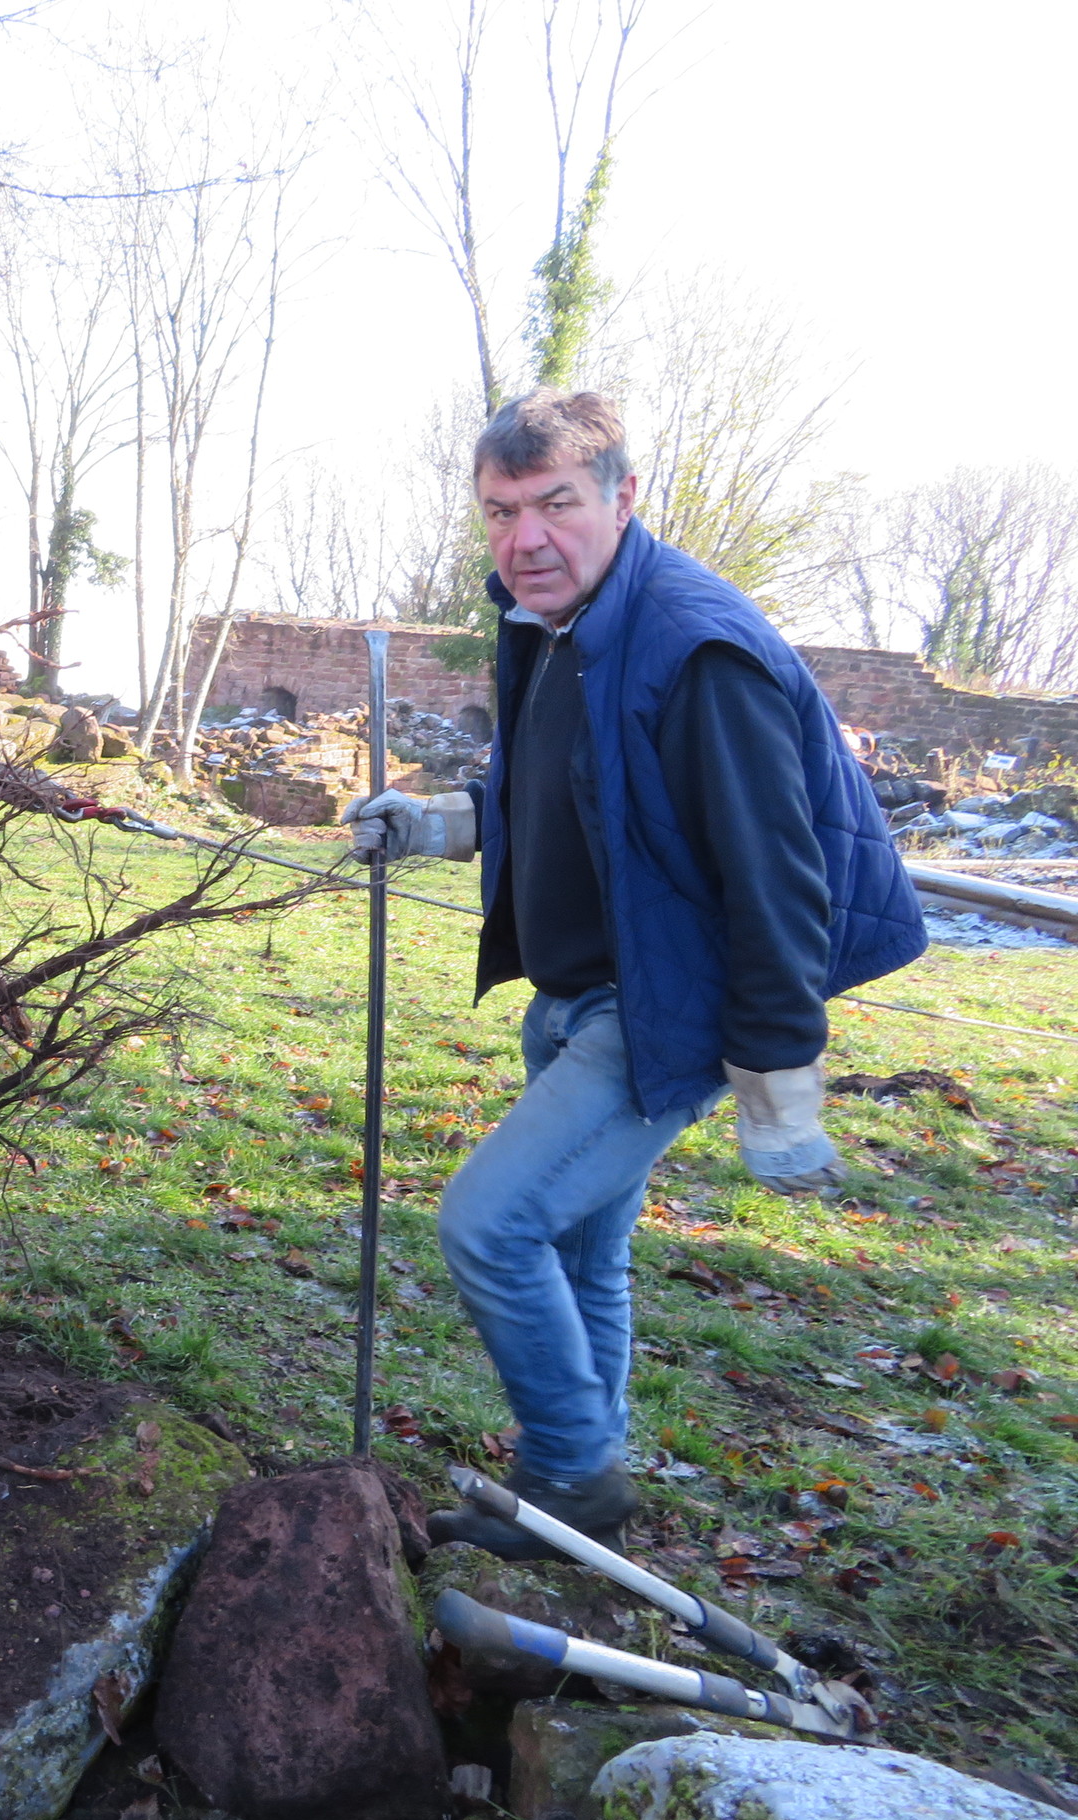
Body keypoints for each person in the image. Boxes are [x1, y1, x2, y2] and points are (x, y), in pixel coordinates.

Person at [345, 389, 925, 1559]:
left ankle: (572, 1473)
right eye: (501, 511)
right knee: (580, 1250)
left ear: (624, 498)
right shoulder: (559, 624)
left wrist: (779, 1094)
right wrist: (436, 822)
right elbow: (560, 794)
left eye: (556, 503)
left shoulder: (696, 651)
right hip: (575, 1001)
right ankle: (582, 1500)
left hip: (656, 1008)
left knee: (489, 1224)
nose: (525, 539)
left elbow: (778, 881)